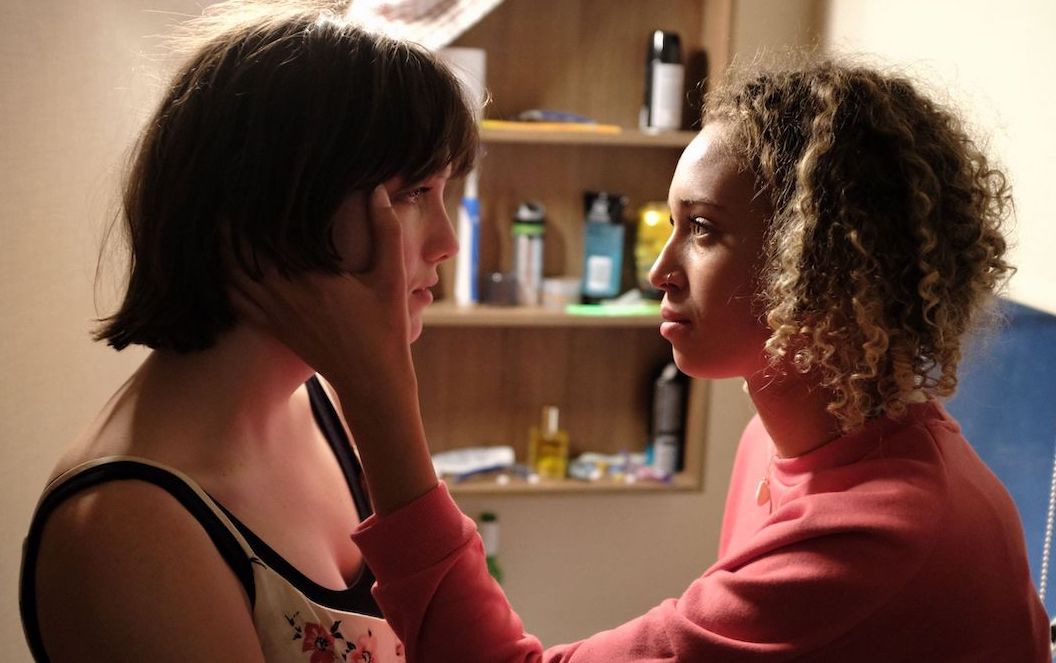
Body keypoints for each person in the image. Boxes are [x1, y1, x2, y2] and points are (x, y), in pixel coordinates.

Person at [230, 58, 1052, 661]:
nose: (659, 271)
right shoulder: (780, 442)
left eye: (703, 230)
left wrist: (376, 391)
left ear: (824, 266)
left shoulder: (883, 536)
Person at [18, 2, 477, 661]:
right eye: (412, 193)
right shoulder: (130, 525)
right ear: (275, 199)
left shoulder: (327, 402)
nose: (447, 242)